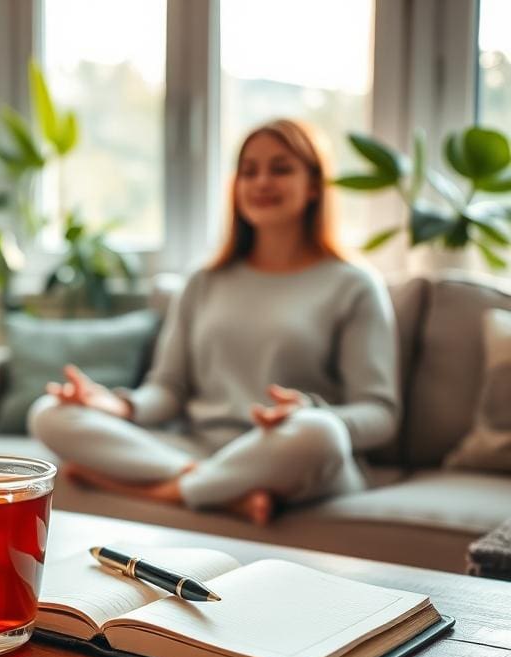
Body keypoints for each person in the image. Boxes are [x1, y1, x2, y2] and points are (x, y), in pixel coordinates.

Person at [27, 118, 399, 525]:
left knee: (319, 433)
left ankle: (162, 491)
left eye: (280, 169)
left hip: (287, 453)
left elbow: (380, 414)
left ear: (313, 185)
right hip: (196, 448)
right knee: (49, 413)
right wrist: (118, 405)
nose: (261, 182)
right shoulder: (203, 281)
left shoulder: (355, 285)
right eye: (249, 171)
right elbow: (169, 389)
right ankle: (220, 489)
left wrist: (307, 410)